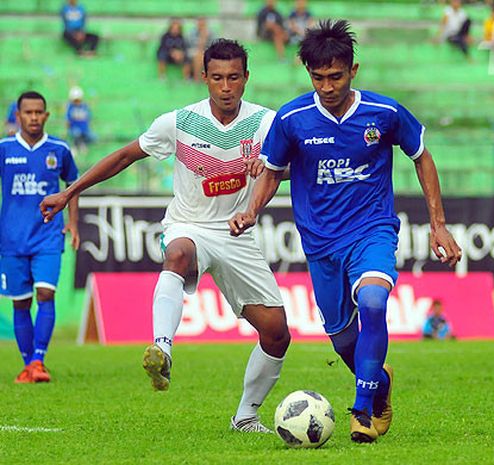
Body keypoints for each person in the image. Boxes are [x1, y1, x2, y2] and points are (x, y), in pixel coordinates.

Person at [40, 39, 290, 433]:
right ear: (204, 77)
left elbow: (290, 168)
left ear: (246, 79)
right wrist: (70, 192)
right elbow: (124, 156)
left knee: (276, 334)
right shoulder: (178, 122)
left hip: (236, 232)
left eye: (234, 78)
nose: (226, 87)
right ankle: (163, 347)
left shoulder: (268, 124)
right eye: (218, 78)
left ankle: (245, 416)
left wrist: (269, 168)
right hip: (188, 225)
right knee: (177, 253)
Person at [230, 20, 463, 443]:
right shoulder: (293, 118)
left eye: (335, 76)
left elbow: (422, 156)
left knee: (373, 301)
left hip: (372, 230)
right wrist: (251, 210)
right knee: (342, 342)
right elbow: (271, 171)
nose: (327, 85)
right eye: (318, 77)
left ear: (353, 70)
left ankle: (361, 411)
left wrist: (439, 225)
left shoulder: (385, 113)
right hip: (320, 243)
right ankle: (380, 384)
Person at [0, 91, 80, 384]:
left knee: (46, 294)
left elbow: (73, 184)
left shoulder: (58, 149)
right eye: (28, 112)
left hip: (47, 236)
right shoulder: (4, 148)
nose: (34, 117)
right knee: (20, 303)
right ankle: (28, 365)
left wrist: (73, 222)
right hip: (11, 240)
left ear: (46, 115)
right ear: (18, 116)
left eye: (39, 112)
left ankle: (38, 360)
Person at [66, 86, 94, 156]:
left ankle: (83, 145)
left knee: (92, 137)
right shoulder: (71, 107)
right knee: (76, 134)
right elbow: (68, 120)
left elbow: (88, 118)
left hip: (84, 129)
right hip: (75, 129)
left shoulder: (84, 107)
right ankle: (75, 147)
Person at [188, 17, 215, 82]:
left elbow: (214, 45)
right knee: (198, 55)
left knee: (203, 55)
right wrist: (202, 37)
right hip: (194, 50)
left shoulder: (211, 32)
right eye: (200, 23)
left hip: (207, 51)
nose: (201, 25)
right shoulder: (192, 32)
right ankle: (197, 78)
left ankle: (204, 78)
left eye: (203, 24)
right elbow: (193, 45)